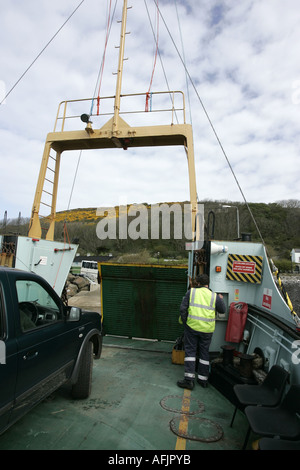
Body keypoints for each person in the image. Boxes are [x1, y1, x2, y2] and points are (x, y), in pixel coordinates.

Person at [177, 273, 226, 390]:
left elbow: (182, 309)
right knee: (204, 353)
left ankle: (189, 380)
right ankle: (203, 380)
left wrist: (186, 323)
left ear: (197, 283)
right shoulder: (214, 296)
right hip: (207, 330)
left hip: (192, 328)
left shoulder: (191, 292)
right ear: (208, 284)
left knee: (190, 352)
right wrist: (220, 299)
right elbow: (223, 310)